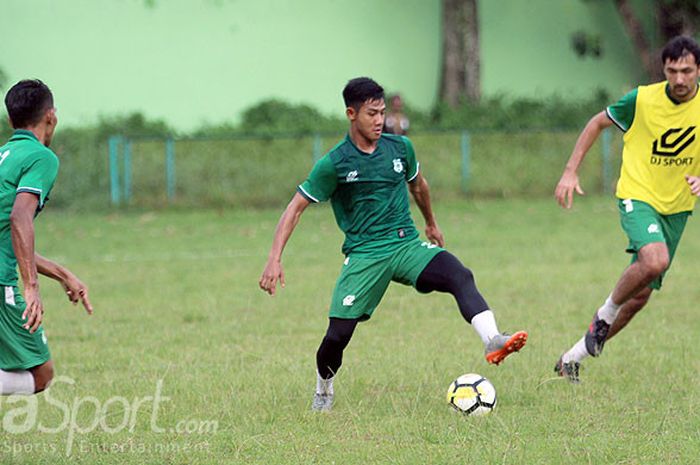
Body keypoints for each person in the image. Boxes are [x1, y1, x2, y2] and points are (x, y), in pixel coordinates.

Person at [259, 77, 527, 411]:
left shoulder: (400, 148)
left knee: (460, 274)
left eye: (382, 112)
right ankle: (323, 390)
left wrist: (430, 222)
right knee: (337, 336)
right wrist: (274, 257)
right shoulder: (335, 163)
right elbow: (295, 207)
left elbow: (419, 186)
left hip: (406, 245)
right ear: (351, 114)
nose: (379, 120)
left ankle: (492, 340)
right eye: (371, 113)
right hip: (365, 255)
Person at [554, 36, 700, 383]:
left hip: (677, 208)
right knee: (654, 261)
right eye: (672, 71)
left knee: (640, 296)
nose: (679, 79)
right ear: (663, 69)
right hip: (639, 195)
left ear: (698, 70)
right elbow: (596, 123)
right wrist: (570, 170)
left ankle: (571, 359)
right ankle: (604, 314)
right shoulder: (642, 99)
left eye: (687, 71)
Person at [0, 79, 93, 395]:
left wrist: (61, 273)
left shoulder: (4, 155)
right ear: (51, 116)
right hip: (1, 283)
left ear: (11, 119)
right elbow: (18, 217)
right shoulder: (41, 157)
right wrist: (30, 286)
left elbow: (8, 237)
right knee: (42, 375)